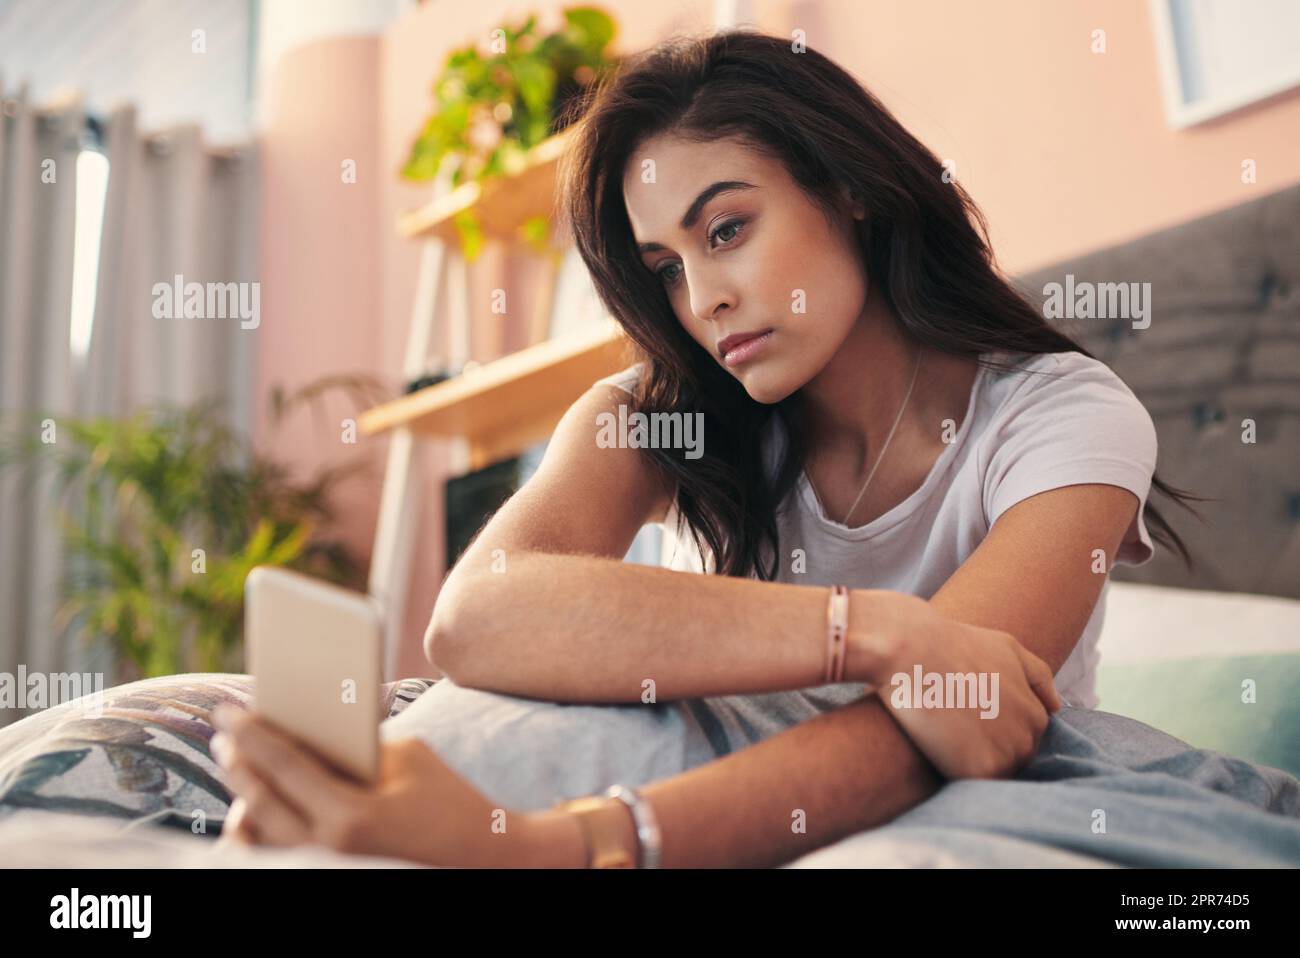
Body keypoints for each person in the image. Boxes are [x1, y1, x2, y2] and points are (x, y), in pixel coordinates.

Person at [210, 29, 1201, 868]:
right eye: (666, 269)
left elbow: (935, 727)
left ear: (849, 189)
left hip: (950, 798)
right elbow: (476, 616)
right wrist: (880, 632)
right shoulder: (670, 409)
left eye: (726, 228)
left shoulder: (1066, 417)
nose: (701, 300)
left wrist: (560, 846)